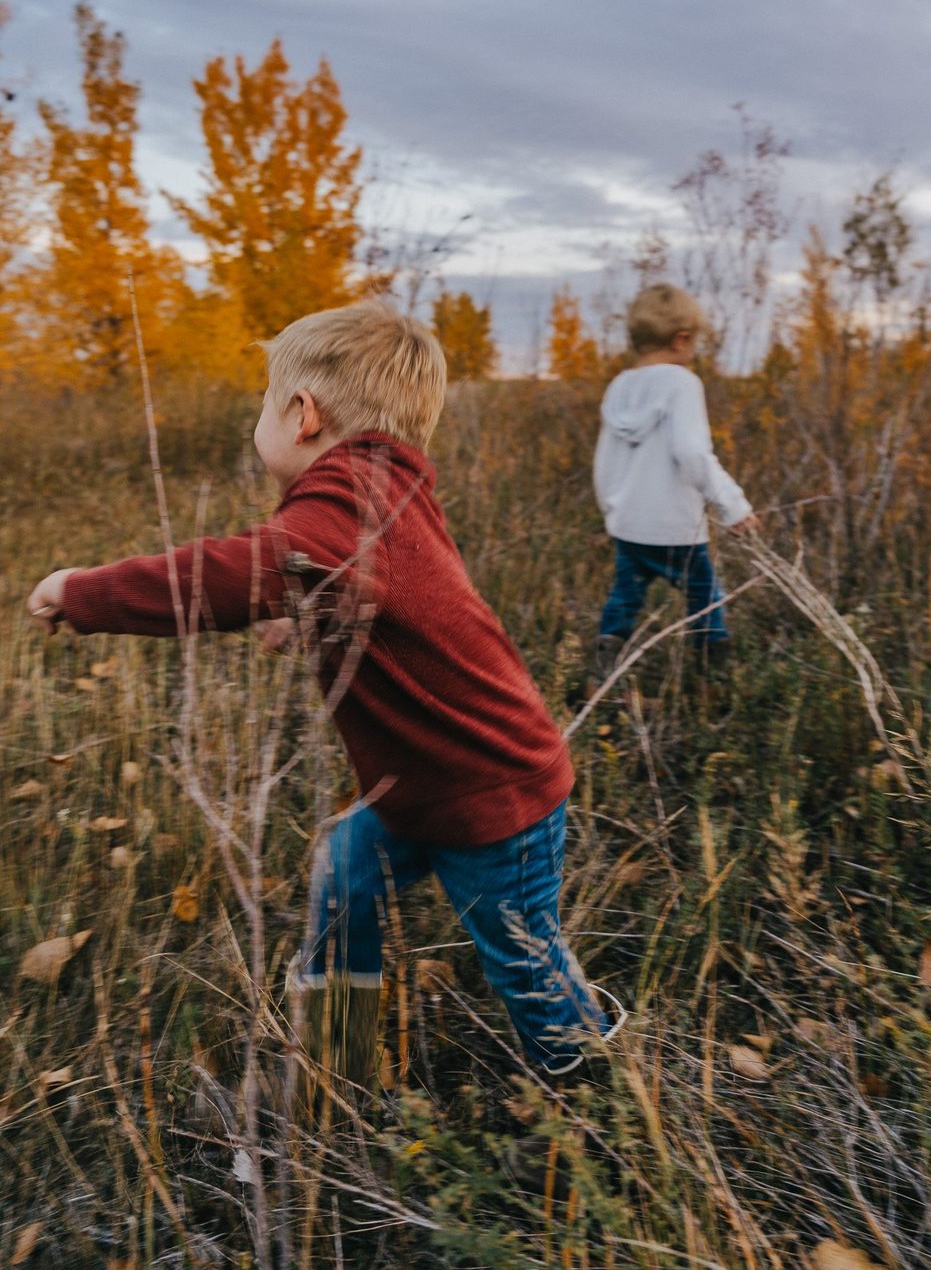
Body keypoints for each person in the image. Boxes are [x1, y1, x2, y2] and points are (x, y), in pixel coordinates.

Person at [28, 299, 624, 1092]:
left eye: (265, 404)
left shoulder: (349, 503)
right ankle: (338, 1059)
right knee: (345, 872)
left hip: (491, 797)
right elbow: (392, 592)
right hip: (421, 786)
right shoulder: (385, 490)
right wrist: (306, 612)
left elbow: (234, 572)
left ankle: (598, 1097)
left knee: (521, 957)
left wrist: (83, 593)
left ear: (302, 415)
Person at [592, 283, 758, 678]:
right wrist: (733, 506)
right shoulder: (683, 383)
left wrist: (613, 511)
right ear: (682, 339)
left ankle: (601, 674)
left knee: (625, 598)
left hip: (629, 525)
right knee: (704, 597)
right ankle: (711, 684)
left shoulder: (620, 386)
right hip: (675, 529)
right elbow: (692, 451)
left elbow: (603, 462)